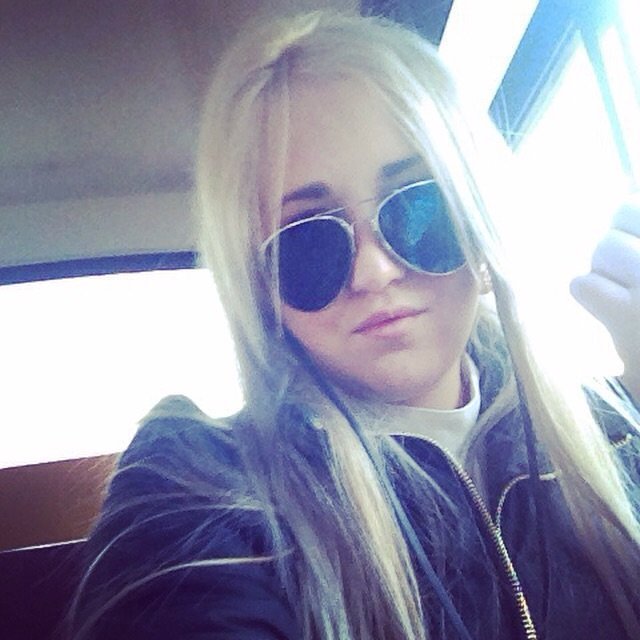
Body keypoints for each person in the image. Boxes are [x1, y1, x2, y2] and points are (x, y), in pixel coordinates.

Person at [69, 11, 640, 640]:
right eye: (309, 241)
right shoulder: (199, 482)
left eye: (418, 208)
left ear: (479, 226)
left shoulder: (615, 431)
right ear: (262, 293)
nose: (374, 271)